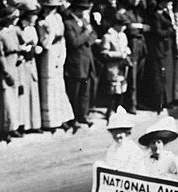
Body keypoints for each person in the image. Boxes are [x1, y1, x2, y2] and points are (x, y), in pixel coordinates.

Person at [37, 0, 75, 133]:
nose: (52, 10)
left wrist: (62, 55)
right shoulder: (41, 22)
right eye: (49, 7)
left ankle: (62, 118)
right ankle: (50, 121)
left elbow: (63, 38)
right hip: (49, 54)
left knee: (59, 85)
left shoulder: (58, 18)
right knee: (49, 85)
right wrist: (51, 32)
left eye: (54, 7)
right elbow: (45, 44)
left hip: (59, 51)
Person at [64, 0, 98, 131]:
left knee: (85, 91)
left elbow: (94, 34)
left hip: (87, 61)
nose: (84, 12)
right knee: (74, 92)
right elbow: (73, 42)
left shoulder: (84, 21)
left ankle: (82, 115)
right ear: (76, 10)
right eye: (82, 9)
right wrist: (85, 33)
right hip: (76, 63)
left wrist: (88, 40)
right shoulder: (68, 23)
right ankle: (74, 119)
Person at [0, 6, 24, 142]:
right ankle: (4, 129)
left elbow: (22, 44)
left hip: (16, 64)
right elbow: (0, 55)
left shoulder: (15, 30)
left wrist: (21, 56)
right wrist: (6, 72)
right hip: (6, 65)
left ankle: (14, 127)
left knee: (15, 98)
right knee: (6, 100)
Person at [100, 11, 132, 119]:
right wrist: (120, 55)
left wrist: (127, 52)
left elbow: (126, 46)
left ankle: (118, 109)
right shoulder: (107, 36)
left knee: (122, 89)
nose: (124, 27)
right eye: (122, 25)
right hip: (113, 66)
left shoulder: (123, 36)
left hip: (122, 66)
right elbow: (104, 53)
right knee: (113, 90)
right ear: (116, 25)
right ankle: (109, 111)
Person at [17, 0, 43, 134]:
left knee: (32, 91)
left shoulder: (33, 28)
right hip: (21, 64)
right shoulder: (19, 29)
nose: (36, 17)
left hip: (31, 62)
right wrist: (30, 49)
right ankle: (22, 124)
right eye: (33, 14)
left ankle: (34, 123)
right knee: (23, 93)